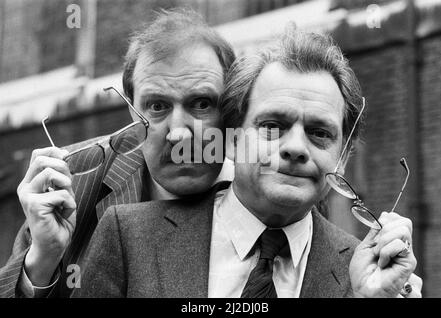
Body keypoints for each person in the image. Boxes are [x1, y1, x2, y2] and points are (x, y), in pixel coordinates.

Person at [73, 27, 422, 298]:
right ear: (233, 137)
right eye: (272, 126)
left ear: (342, 158)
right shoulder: (128, 238)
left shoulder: (365, 275)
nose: (296, 148)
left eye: (319, 133)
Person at [0, 8, 236, 298]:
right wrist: (43, 259)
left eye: (201, 104)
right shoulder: (72, 179)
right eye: (158, 106)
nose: (179, 134)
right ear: (132, 112)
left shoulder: (274, 181)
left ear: (231, 108)